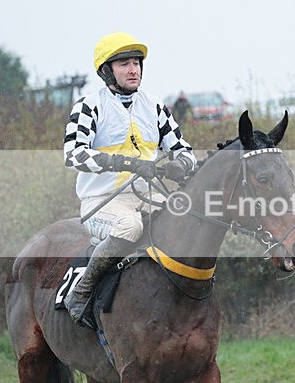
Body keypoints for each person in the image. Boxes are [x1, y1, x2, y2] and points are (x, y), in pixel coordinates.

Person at [62, 32, 197, 324]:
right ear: (106, 71)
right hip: (101, 202)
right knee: (129, 227)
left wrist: (180, 165)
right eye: (124, 64)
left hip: (148, 196)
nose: (133, 69)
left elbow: (185, 152)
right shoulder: (88, 106)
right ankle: (81, 292)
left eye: (136, 63)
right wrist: (123, 163)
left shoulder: (154, 106)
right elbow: (73, 155)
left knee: (189, 219)